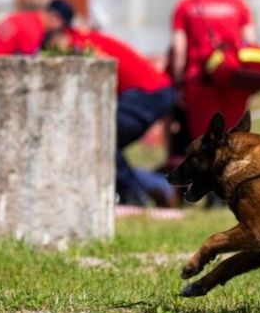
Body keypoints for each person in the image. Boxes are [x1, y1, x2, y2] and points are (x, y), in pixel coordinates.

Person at [45, 28, 175, 206]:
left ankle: (137, 194)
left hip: (146, 94)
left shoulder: (79, 48)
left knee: (103, 141)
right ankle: (150, 189)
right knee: (108, 144)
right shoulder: (87, 39)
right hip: (153, 92)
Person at [170, 0, 256, 139]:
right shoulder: (238, 2)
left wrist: (178, 83)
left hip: (200, 81)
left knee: (204, 142)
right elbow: (250, 41)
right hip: (234, 78)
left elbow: (179, 49)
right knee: (234, 139)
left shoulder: (185, 5)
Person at [0, 0, 74, 55]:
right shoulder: (33, 32)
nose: (59, 30)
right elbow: (29, 64)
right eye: (62, 26)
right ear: (55, 17)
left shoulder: (25, 18)